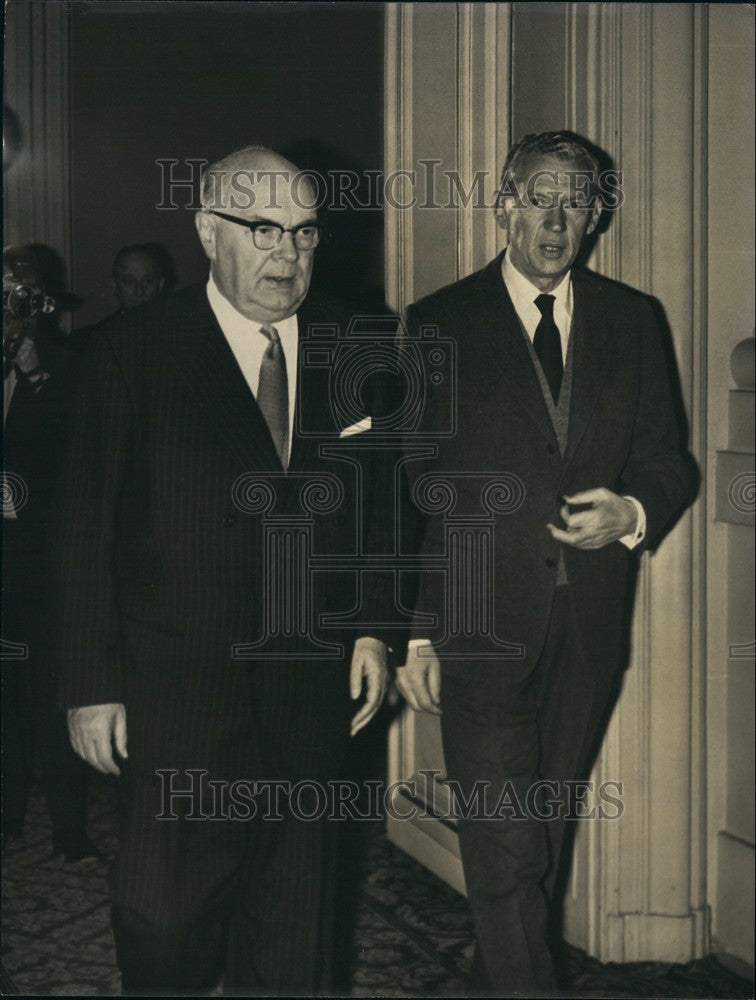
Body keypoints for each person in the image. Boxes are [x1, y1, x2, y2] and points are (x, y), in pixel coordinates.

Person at [53, 146, 394, 994]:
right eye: (264, 228)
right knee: (163, 918)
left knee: (296, 926)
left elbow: (387, 505)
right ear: (209, 231)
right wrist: (92, 683)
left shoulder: (361, 341)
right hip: (177, 691)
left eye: (307, 232)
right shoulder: (131, 351)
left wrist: (379, 629)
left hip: (312, 692)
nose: (289, 253)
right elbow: (83, 528)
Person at [395, 131, 692, 994]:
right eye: (539, 198)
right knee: (505, 844)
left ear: (597, 216)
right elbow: (413, 484)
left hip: (590, 623)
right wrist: (414, 632)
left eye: (578, 202)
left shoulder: (635, 319)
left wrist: (631, 513)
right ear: (503, 206)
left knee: (543, 833)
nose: (557, 221)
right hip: (479, 621)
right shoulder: (439, 321)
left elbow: (668, 460)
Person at [2, 244, 98, 862]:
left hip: (40, 569)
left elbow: (83, 472)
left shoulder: (68, 369)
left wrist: (37, 379)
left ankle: (69, 830)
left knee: (48, 694)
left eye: (23, 302)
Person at [112, 243, 168, 313]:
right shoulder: (107, 324)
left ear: (160, 284)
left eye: (148, 281)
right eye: (129, 281)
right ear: (115, 286)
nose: (139, 292)